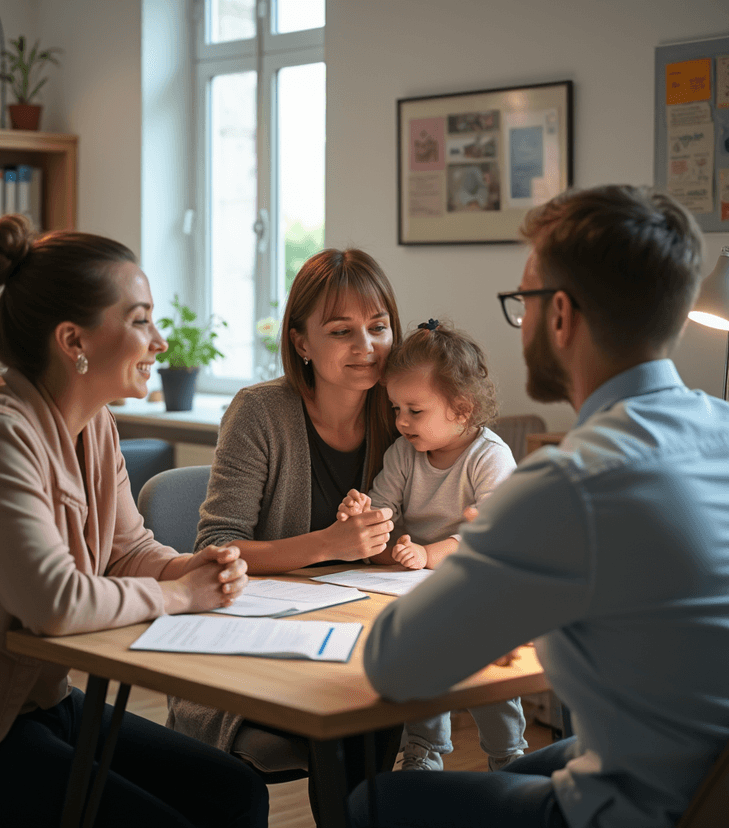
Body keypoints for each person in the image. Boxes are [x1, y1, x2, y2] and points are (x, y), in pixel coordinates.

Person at [348, 184, 729, 828]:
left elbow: (395, 665)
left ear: (558, 315)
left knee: (378, 801)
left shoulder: (572, 482)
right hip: (703, 778)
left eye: (520, 302)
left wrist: (495, 564)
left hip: (640, 810)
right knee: (529, 762)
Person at [0, 215, 268, 828]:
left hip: (41, 702)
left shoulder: (93, 424)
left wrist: (189, 567)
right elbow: (55, 603)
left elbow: (126, 550)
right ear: (74, 341)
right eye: (140, 319)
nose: (160, 342)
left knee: (236, 794)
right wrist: (180, 593)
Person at [167, 248, 402, 808]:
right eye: (342, 331)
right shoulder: (260, 411)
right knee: (357, 728)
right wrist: (330, 544)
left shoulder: (402, 413)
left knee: (388, 710)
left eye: (379, 327)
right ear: (301, 342)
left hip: (360, 640)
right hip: (261, 653)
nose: (365, 347)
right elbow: (215, 548)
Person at [337, 319, 528, 773]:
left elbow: (489, 539)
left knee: (484, 673)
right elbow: (381, 516)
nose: (401, 421)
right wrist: (361, 516)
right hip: (414, 584)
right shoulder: (404, 454)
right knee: (420, 662)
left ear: (461, 409)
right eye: (396, 408)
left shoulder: (490, 456)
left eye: (414, 410)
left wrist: (426, 554)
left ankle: (508, 755)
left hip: (480, 588)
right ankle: (423, 750)